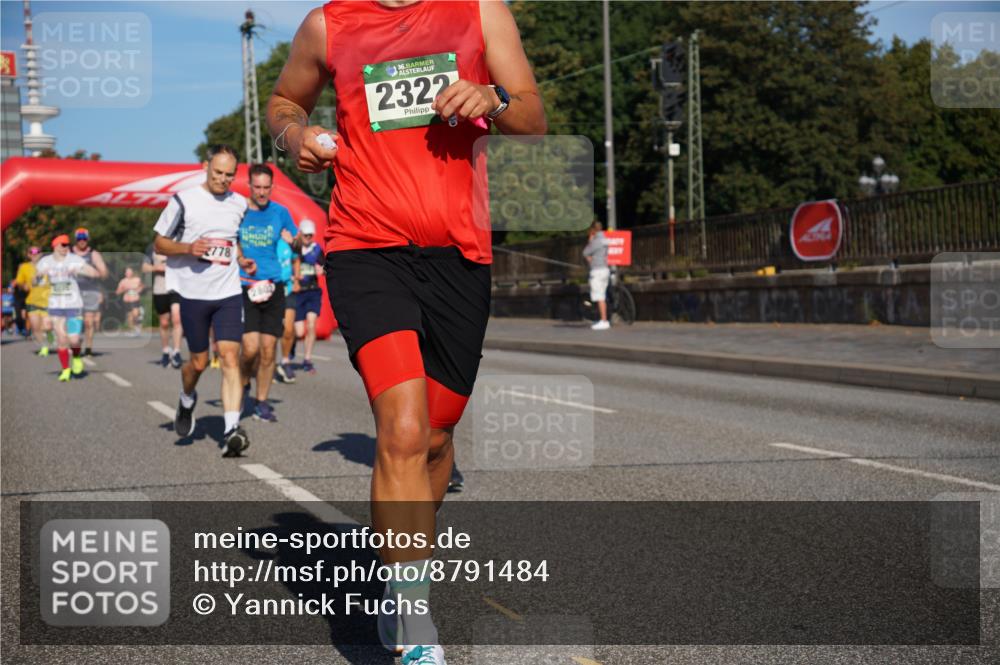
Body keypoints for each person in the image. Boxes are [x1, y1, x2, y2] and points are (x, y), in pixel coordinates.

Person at [268, 2, 545, 661]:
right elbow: (285, 100)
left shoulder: (480, 13)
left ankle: (402, 571)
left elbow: (532, 120)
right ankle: (412, 615)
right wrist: (293, 138)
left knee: (437, 437)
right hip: (365, 248)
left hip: (461, 254)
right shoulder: (328, 25)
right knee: (401, 429)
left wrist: (494, 95)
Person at [153, 144, 256, 456]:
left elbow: (231, 240)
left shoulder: (240, 204)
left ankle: (231, 431)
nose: (222, 180)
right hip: (193, 294)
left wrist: (242, 258)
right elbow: (159, 243)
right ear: (205, 167)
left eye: (229, 175)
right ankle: (187, 398)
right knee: (197, 363)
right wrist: (188, 249)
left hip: (227, 293)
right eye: (217, 173)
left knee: (229, 358)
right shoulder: (184, 201)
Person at [238, 163, 298, 422]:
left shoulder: (280, 212)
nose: (262, 193)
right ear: (249, 186)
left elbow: (297, 241)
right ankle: (241, 387)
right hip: (245, 284)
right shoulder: (238, 211)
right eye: (257, 187)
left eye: (266, 188)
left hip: (273, 285)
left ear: (272, 187)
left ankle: (261, 400)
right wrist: (240, 258)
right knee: (249, 349)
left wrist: (292, 240)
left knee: (268, 348)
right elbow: (230, 241)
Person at [35, 234, 101, 381]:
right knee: (61, 339)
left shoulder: (74, 259)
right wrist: (40, 275)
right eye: (63, 245)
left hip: (73, 305)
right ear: (55, 246)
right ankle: (65, 369)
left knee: (74, 340)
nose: (66, 248)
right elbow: (35, 281)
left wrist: (83, 271)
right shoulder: (45, 262)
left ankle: (76, 356)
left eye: (67, 245)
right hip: (56, 305)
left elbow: (94, 272)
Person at [143, 244, 184, 368]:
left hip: (176, 288)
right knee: (164, 322)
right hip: (160, 289)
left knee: (177, 318)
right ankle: (166, 351)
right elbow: (144, 267)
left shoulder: (179, 244)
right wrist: (157, 267)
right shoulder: (152, 248)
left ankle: (177, 352)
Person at [71, 227, 109, 356]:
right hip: (72, 292)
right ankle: (75, 342)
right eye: (79, 239)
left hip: (90, 291)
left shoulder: (93, 254)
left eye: (84, 239)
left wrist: (93, 273)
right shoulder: (69, 253)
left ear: (88, 239)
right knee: (74, 321)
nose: (82, 241)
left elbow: (104, 273)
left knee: (89, 322)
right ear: (76, 240)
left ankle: (88, 348)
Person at [292, 219, 323, 374]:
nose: (309, 238)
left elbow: (325, 267)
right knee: (298, 332)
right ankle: (290, 346)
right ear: (300, 234)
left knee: (311, 325)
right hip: (297, 293)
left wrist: (321, 270)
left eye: (311, 235)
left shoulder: (317, 250)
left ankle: (307, 359)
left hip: (312, 291)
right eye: (306, 235)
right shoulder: (294, 249)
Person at [16, 246, 54, 355]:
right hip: (32, 301)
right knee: (36, 327)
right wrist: (24, 286)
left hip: (47, 300)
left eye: (37, 252)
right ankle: (44, 346)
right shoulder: (24, 267)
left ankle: (49, 336)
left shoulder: (48, 266)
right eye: (31, 252)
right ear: (28, 255)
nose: (34, 254)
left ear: (41, 254)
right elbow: (19, 282)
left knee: (47, 326)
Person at [275, 234, 298, 384]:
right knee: (270, 334)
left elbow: (296, 259)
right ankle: (267, 366)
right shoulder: (267, 239)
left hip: (287, 289)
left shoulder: (287, 241)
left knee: (289, 329)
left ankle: (285, 361)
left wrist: (296, 277)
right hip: (270, 288)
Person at [583, 221, 611, 330]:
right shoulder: (605, 240)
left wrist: (590, 240)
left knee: (599, 296)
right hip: (604, 269)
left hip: (597, 270)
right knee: (602, 294)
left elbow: (585, 252)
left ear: (593, 230)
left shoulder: (595, 241)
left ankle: (603, 320)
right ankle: (602, 318)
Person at [116, 267, 144, 336]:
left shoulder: (137, 279)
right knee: (130, 317)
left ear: (132, 273)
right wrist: (124, 289)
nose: (129, 273)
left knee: (135, 314)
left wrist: (139, 290)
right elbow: (117, 292)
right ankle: (134, 330)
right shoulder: (123, 281)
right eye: (127, 272)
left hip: (135, 300)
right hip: (126, 301)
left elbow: (142, 286)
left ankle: (138, 328)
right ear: (125, 273)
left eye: (130, 272)